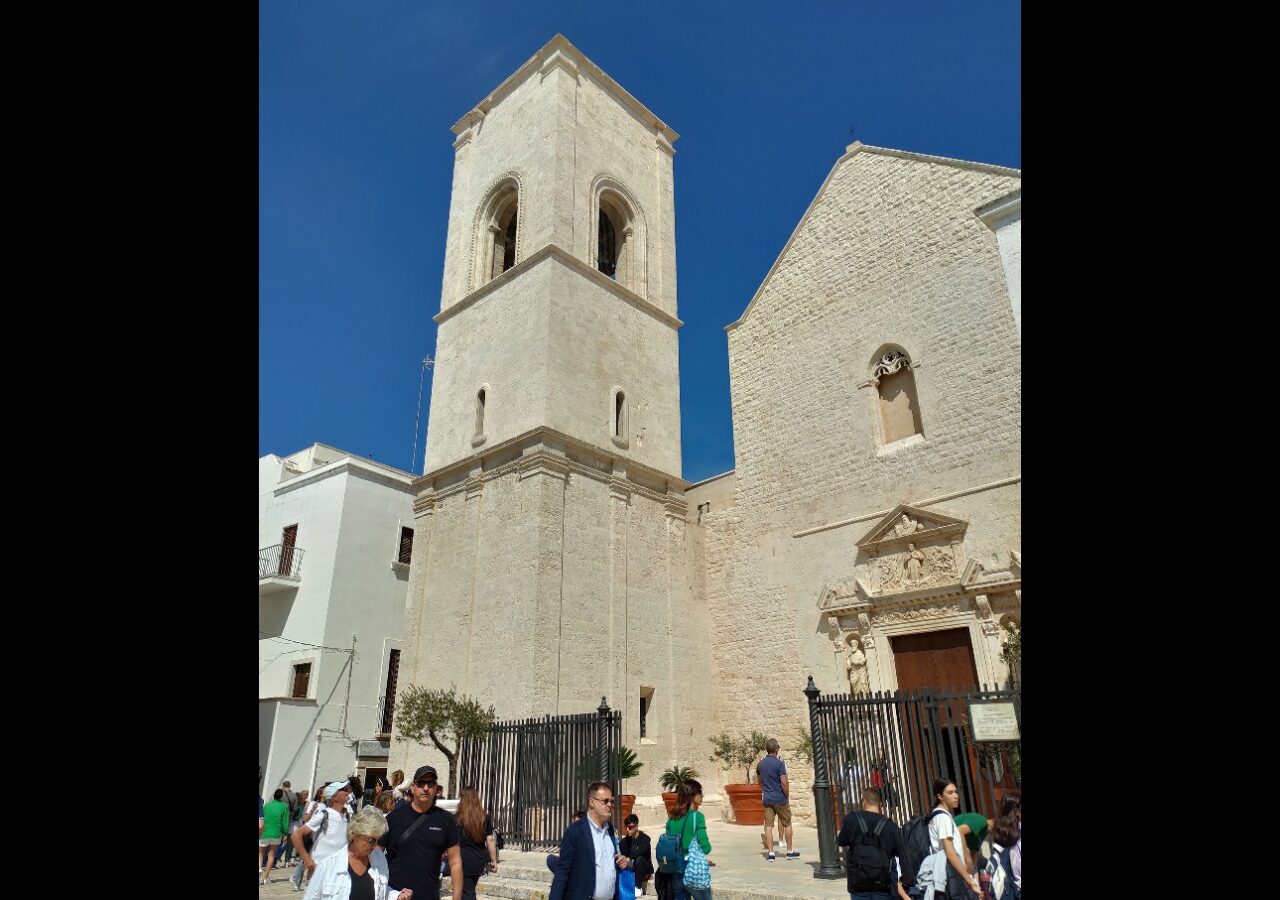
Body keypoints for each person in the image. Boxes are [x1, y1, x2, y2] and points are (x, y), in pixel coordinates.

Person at [380, 765, 463, 900]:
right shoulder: (394, 817)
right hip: (397, 895)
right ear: (413, 787)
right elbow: (377, 854)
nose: (425, 788)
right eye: (421, 783)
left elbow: (455, 862)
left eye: (430, 783)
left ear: (436, 788)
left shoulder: (446, 820)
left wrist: (457, 897)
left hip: (429, 895)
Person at [302, 805, 412, 900]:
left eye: (378, 840)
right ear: (355, 834)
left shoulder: (379, 858)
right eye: (371, 841)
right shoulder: (328, 864)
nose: (374, 846)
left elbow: (380, 891)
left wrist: (396, 896)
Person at [548, 782, 630, 900]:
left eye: (611, 801)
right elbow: (562, 872)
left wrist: (620, 860)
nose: (610, 805)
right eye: (605, 801)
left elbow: (608, 861)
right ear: (592, 802)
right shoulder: (575, 832)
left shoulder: (610, 830)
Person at [837, 787, 908, 900]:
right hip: (882, 883)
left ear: (864, 801)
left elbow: (841, 841)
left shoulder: (852, 819)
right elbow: (901, 854)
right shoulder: (891, 826)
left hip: (858, 882)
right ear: (880, 804)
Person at [916, 778, 980, 900]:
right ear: (940, 796)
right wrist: (970, 881)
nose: (955, 796)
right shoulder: (942, 818)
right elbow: (950, 853)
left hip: (949, 875)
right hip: (951, 877)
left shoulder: (940, 816)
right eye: (950, 793)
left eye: (956, 792)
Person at [292, 781, 354, 893]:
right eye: (343, 790)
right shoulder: (324, 815)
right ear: (334, 797)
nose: (346, 791)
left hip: (338, 872)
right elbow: (296, 835)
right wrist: (306, 858)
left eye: (346, 789)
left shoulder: (347, 816)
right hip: (319, 872)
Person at [656, 779, 712, 900]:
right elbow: (706, 847)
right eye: (700, 793)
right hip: (693, 869)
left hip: (676, 867)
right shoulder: (697, 817)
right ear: (692, 795)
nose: (702, 796)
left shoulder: (672, 817)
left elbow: (669, 843)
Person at [757, 738, 798, 860]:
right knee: (787, 823)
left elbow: (759, 782)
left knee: (768, 826)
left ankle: (771, 853)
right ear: (776, 749)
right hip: (780, 798)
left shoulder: (760, 764)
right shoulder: (780, 764)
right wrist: (787, 795)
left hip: (768, 798)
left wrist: (765, 790)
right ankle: (790, 851)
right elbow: (784, 782)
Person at [454, 786, 498, 900]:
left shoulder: (457, 819)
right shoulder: (484, 818)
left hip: (462, 860)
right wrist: (493, 860)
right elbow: (490, 840)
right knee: (468, 889)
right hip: (478, 860)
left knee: (467, 893)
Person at [619, 814, 653, 897]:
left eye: (630, 827)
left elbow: (640, 852)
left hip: (644, 868)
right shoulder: (623, 842)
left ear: (636, 826)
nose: (627, 830)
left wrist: (628, 859)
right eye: (626, 827)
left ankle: (638, 887)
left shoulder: (645, 839)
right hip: (631, 868)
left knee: (639, 860)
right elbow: (624, 856)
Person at [262, 788, 291, 884]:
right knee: (271, 855)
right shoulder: (284, 806)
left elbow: (262, 819)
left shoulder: (266, 805)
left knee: (260, 854)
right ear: (281, 797)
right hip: (276, 832)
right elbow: (285, 821)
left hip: (264, 832)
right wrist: (285, 833)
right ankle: (266, 878)